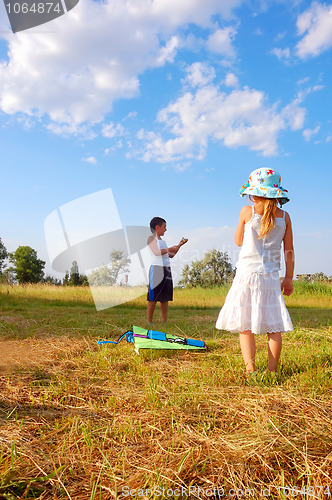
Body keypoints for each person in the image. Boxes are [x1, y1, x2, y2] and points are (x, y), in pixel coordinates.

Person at [216, 167, 294, 374]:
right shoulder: (284, 217)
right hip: (270, 276)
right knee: (274, 327)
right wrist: (288, 278)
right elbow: (289, 251)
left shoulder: (246, 212)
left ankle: (250, 369)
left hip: (246, 275)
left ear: (254, 192)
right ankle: (272, 371)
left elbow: (239, 241)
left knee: (246, 325)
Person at [147, 217, 188, 325]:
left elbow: (171, 255)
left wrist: (179, 245)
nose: (165, 229)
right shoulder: (151, 239)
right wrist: (170, 248)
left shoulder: (163, 242)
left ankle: (165, 322)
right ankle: (149, 321)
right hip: (156, 269)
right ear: (157, 227)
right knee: (153, 297)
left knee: (165, 298)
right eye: (164, 227)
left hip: (166, 269)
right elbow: (156, 252)